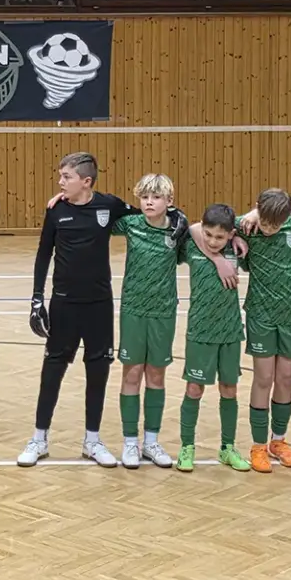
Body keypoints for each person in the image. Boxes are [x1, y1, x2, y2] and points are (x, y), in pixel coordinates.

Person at [19, 153, 137, 468]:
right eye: (60, 176)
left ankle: (92, 441)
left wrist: (177, 217)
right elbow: (44, 254)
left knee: (98, 372)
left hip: (99, 305)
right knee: (53, 370)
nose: (60, 182)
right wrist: (36, 300)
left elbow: (146, 215)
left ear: (85, 181)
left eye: (66, 177)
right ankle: (39, 439)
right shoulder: (56, 210)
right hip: (64, 304)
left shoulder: (109, 205)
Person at [114, 173, 188, 469]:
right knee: (131, 374)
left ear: (169, 201)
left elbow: (207, 236)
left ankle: (152, 441)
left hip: (163, 312)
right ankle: (130, 442)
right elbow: (99, 214)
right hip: (133, 309)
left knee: (156, 375)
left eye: (156, 197)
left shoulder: (178, 231)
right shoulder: (130, 225)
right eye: (144, 196)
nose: (149, 201)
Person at [236, 188, 291, 473]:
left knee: (286, 377)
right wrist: (252, 215)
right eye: (266, 221)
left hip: (290, 312)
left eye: (276, 224)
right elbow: (217, 222)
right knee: (264, 378)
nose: (269, 228)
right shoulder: (248, 223)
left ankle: (278, 441)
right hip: (260, 312)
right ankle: (258, 446)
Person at [178, 204, 245, 472]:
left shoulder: (238, 248)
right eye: (209, 235)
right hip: (200, 330)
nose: (213, 241)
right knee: (194, 389)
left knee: (229, 390)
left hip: (229, 331)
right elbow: (191, 226)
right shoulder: (193, 245)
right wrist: (216, 258)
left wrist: (237, 238)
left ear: (231, 234)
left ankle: (227, 448)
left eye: (220, 237)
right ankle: (187, 446)